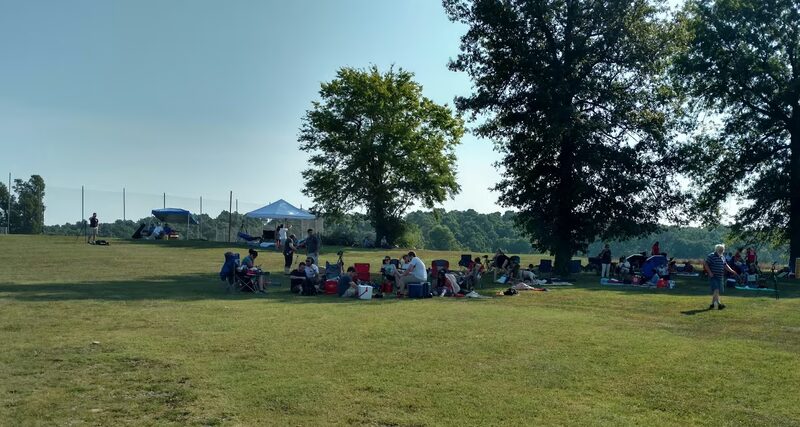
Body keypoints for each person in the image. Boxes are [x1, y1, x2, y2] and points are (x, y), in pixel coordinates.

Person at [703, 244, 739, 310]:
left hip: (720, 277)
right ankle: (719, 304)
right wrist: (710, 273)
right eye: (720, 250)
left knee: (717, 291)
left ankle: (712, 304)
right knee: (716, 289)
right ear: (717, 250)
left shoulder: (722, 256)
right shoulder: (711, 256)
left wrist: (731, 271)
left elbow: (725, 265)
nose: (722, 251)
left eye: (723, 250)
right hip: (713, 276)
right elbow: (706, 264)